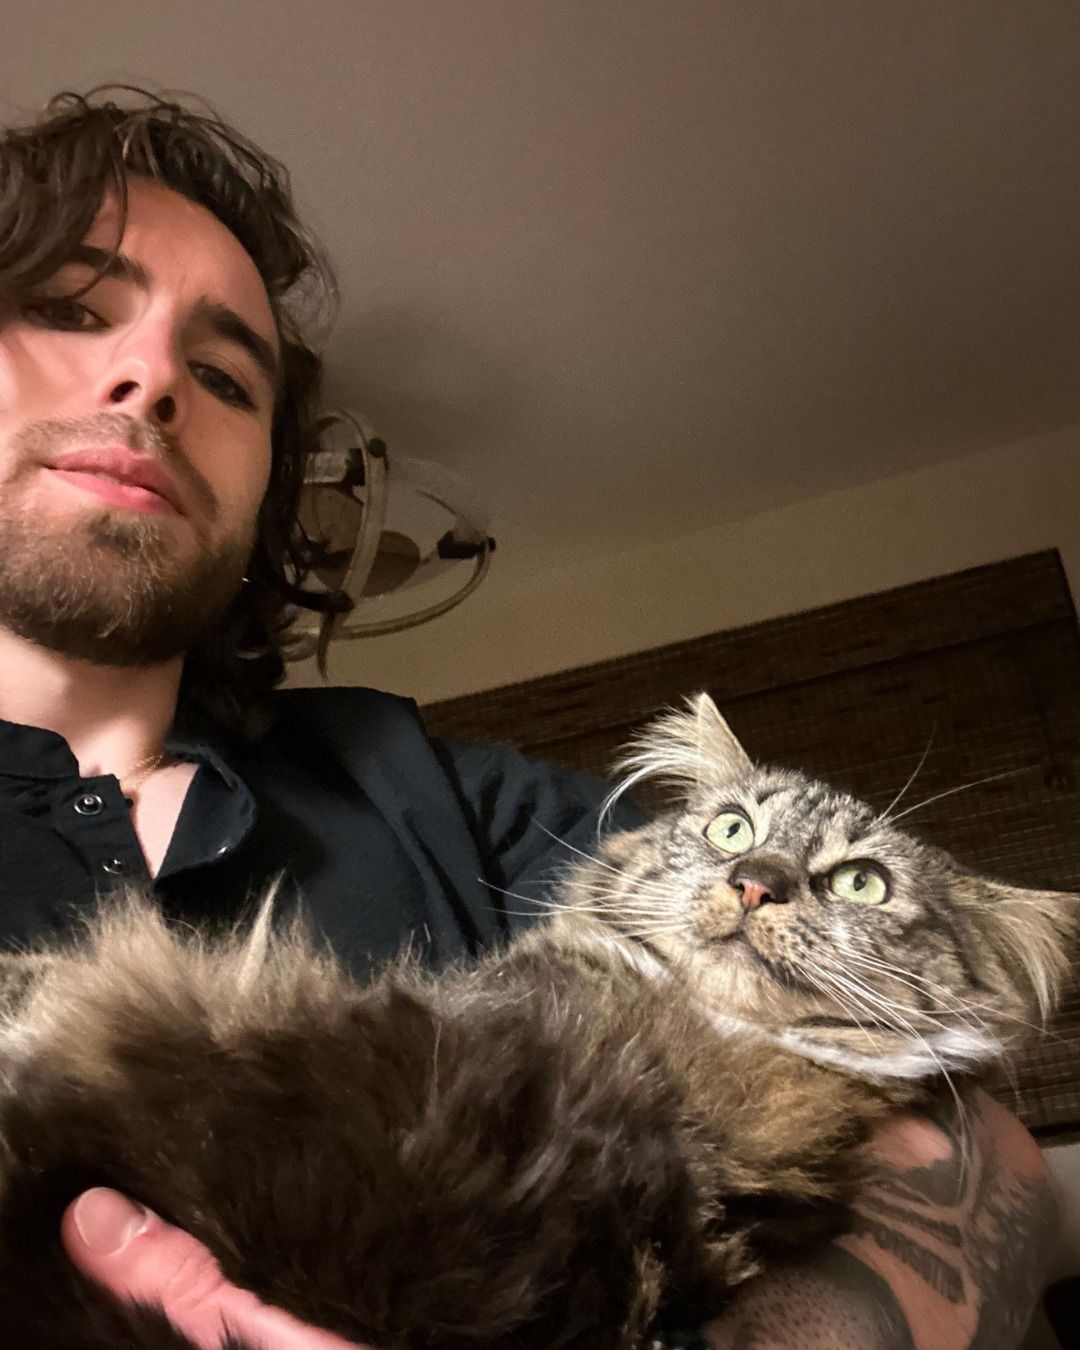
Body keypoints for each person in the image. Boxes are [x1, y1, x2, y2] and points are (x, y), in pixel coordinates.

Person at [0, 89, 1060, 1350]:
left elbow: (995, 1160)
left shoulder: (424, 789)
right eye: (71, 309)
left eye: (227, 375)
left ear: (266, 490)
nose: (153, 376)